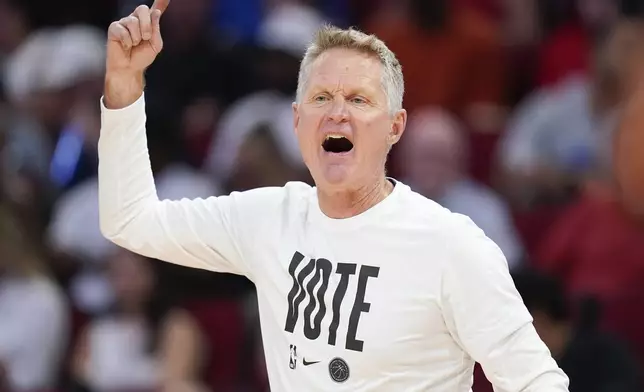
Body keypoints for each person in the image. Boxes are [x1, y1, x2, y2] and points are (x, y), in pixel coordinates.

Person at [97, 1, 569, 390]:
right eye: (322, 98)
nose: (337, 114)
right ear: (298, 121)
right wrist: (124, 87)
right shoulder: (268, 216)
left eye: (360, 100)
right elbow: (129, 221)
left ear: (394, 128)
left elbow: (537, 382)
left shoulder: (451, 244)